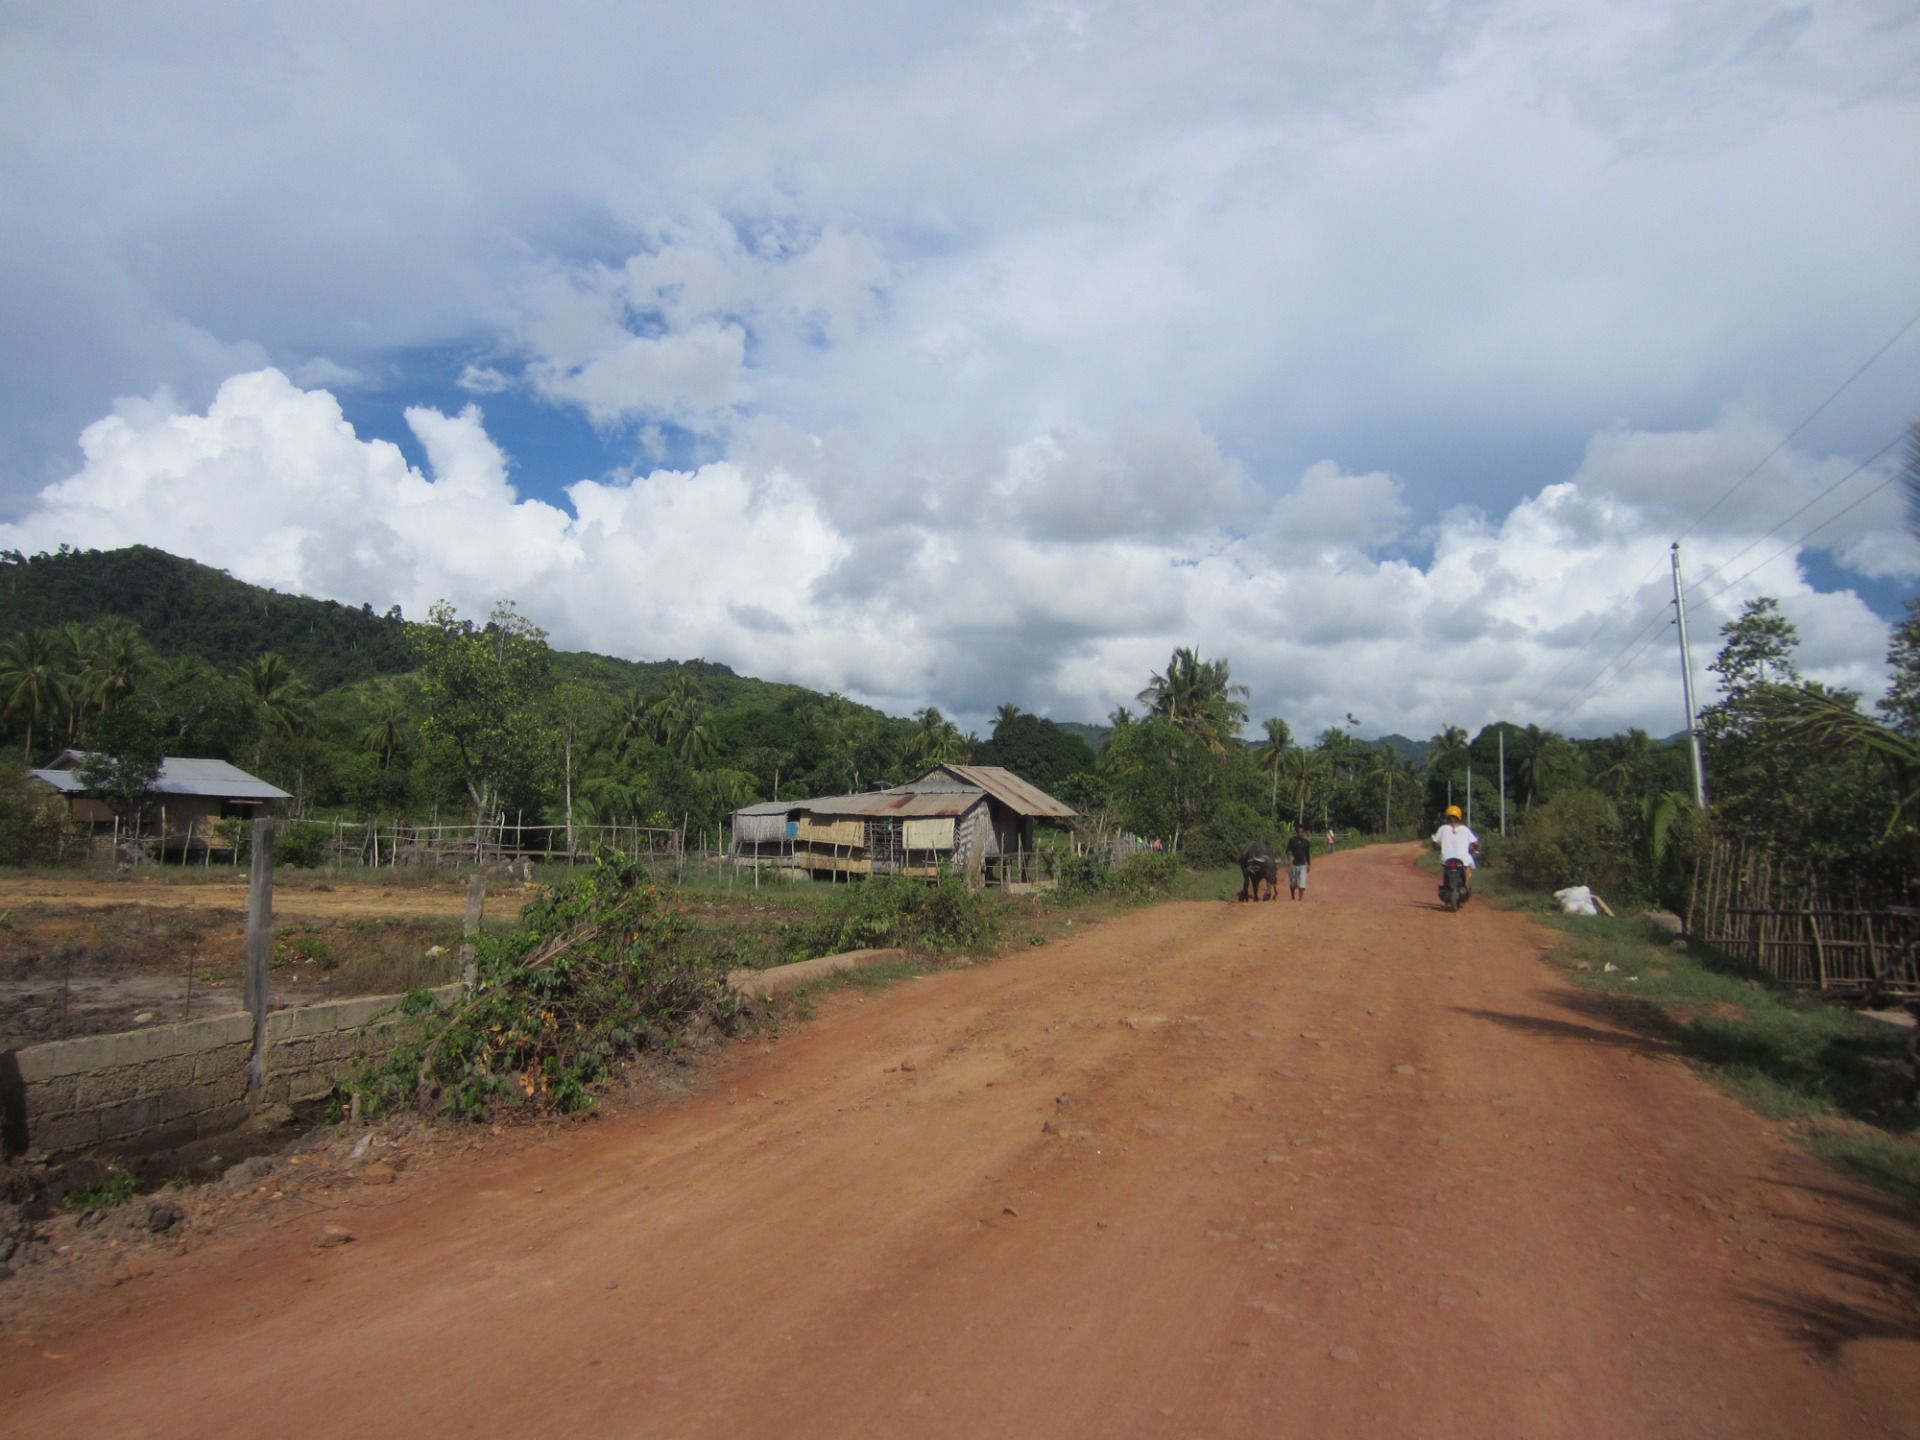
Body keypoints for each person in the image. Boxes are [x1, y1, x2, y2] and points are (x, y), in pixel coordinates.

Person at [1431, 805, 1480, 896]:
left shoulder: (1442, 828)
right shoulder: (1465, 829)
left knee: (1445, 870)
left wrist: (1437, 848)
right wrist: (1475, 850)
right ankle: (1466, 886)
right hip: (1463, 860)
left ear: (1447, 816)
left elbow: (1435, 842)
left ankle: (1447, 886)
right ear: (1459, 817)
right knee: (1468, 868)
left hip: (1446, 859)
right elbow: (1475, 843)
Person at [1285, 823, 1312, 901]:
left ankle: (1300, 899)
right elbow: (1287, 850)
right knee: (1293, 884)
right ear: (1296, 832)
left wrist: (1309, 864)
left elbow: (1307, 854)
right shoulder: (1292, 840)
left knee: (1302, 883)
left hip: (1302, 865)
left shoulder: (1306, 842)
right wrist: (1290, 856)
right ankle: (1293, 896)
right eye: (1298, 832)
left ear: (1304, 832)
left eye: (1302, 832)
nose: (1300, 833)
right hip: (1293, 865)